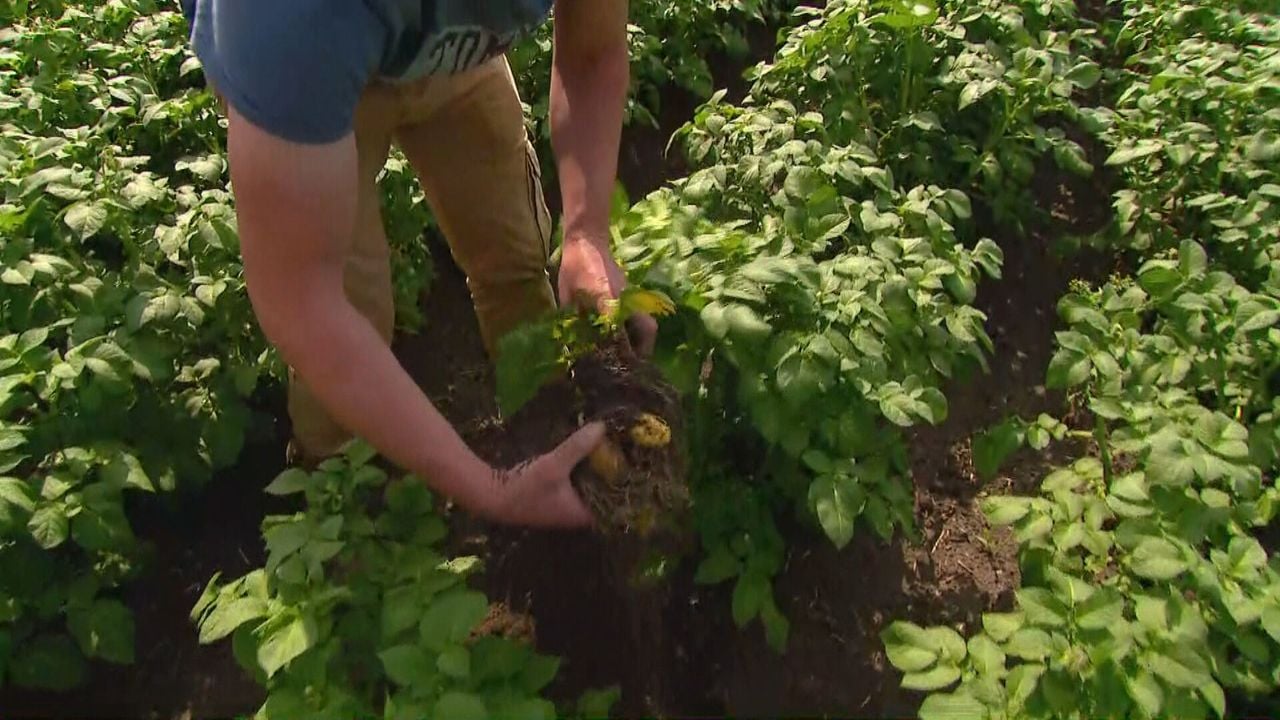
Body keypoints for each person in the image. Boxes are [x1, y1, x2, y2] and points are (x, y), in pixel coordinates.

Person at [182, 1, 656, 529]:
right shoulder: (286, 22)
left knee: (513, 252)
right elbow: (305, 306)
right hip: (320, 71)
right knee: (353, 309)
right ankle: (343, 505)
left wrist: (586, 235)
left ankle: (546, 427)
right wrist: (492, 492)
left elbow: (592, 54)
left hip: (449, 53)